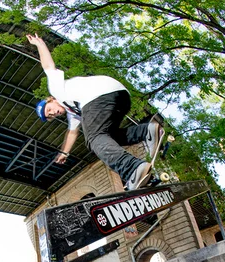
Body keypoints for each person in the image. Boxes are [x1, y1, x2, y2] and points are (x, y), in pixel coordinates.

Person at [26, 34, 164, 190]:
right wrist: (64, 153)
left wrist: (40, 44)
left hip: (99, 95)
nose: (53, 113)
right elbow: (72, 133)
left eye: (49, 109)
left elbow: (48, 67)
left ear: (51, 100)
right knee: (107, 136)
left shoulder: (57, 90)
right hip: (120, 96)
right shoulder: (74, 111)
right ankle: (146, 131)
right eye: (50, 116)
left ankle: (131, 168)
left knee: (93, 137)